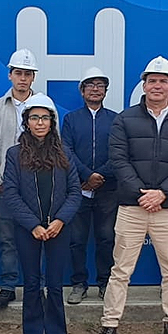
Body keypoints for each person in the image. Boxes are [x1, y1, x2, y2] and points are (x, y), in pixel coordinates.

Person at [92, 57, 168, 334]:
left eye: (163, 80)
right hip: (132, 206)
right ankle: (110, 326)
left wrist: (162, 193)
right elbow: (119, 160)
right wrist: (143, 192)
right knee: (120, 270)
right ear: (144, 84)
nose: (157, 85)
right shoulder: (125, 120)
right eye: (152, 80)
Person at [2, 94, 81, 334]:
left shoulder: (65, 153)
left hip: (59, 228)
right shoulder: (14, 154)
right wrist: (33, 224)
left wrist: (59, 220)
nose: (39, 122)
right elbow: (11, 194)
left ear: (51, 121)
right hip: (29, 230)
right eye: (34, 117)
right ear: (26, 121)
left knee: (56, 284)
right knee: (33, 283)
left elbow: (74, 193)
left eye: (44, 117)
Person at [0, 49, 38, 309]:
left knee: (36, 236)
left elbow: (55, 145)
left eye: (28, 74)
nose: (23, 78)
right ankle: (8, 286)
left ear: (33, 77)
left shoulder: (43, 106)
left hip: (38, 186)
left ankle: (33, 286)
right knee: (6, 238)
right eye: (18, 73)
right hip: (6, 185)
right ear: (10, 75)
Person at [61, 67, 118, 303]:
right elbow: (66, 151)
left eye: (100, 85)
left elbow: (119, 152)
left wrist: (99, 176)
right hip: (78, 189)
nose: (95, 89)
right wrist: (86, 175)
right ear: (82, 91)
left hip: (108, 190)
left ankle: (105, 282)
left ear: (105, 91)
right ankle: (78, 283)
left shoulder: (116, 119)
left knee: (106, 239)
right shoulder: (71, 119)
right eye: (90, 85)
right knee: (77, 240)